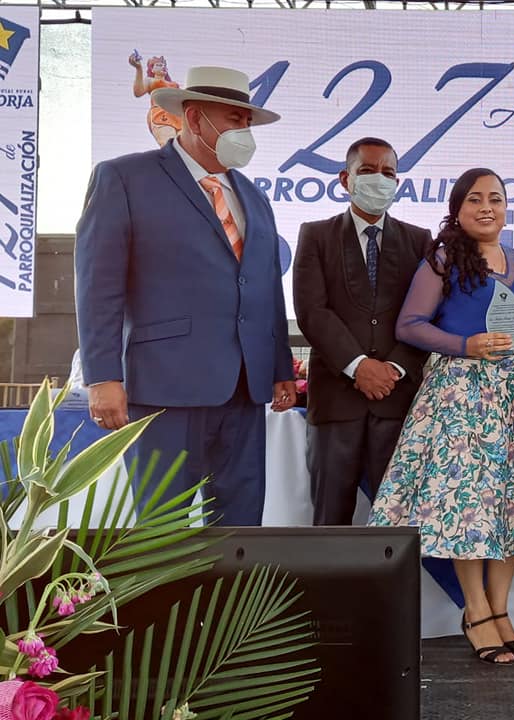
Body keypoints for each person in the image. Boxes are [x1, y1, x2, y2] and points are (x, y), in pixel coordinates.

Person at [75, 66, 296, 526]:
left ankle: (234, 583)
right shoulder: (124, 178)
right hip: (164, 389)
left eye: (248, 122)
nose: (244, 132)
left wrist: (279, 368)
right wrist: (102, 376)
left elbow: (266, 289)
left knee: (241, 526)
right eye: (234, 120)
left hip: (245, 390)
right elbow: (98, 285)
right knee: (163, 527)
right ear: (194, 118)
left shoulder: (254, 197)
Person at [369, 168, 514, 665]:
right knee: (470, 506)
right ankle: (476, 612)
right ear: (457, 210)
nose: (486, 207)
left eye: (495, 199)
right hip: (462, 394)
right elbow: (410, 325)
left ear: (507, 208)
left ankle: (500, 611)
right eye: (475, 199)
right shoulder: (442, 261)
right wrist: (465, 345)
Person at [293, 138, 432, 526]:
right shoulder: (315, 235)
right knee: (330, 519)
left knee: (397, 524)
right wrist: (358, 366)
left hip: (396, 400)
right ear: (345, 179)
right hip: (336, 401)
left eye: (388, 173)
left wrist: (394, 369)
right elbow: (312, 312)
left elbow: (427, 313)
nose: (379, 179)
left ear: (397, 182)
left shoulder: (419, 240)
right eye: (368, 171)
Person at [128, 52, 182, 146]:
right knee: (168, 144)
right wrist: (139, 69)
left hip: (177, 116)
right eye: (158, 65)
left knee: (182, 147)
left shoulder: (173, 84)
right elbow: (138, 92)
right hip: (161, 114)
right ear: (152, 69)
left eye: (163, 65)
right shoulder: (150, 80)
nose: (162, 67)